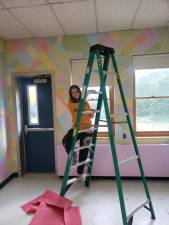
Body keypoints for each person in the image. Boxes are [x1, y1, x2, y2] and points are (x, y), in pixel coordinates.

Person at [62, 85, 94, 181]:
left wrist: (92, 112)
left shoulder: (86, 103)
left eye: (76, 91)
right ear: (71, 94)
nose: (75, 94)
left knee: (84, 152)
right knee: (65, 141)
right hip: (76, 129)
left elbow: (90, 116)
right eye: (73, 92)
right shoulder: (70, 104)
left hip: (87, 130)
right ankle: (74, 156)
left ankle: (80, 174)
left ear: (80, 92)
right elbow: (77, 116)